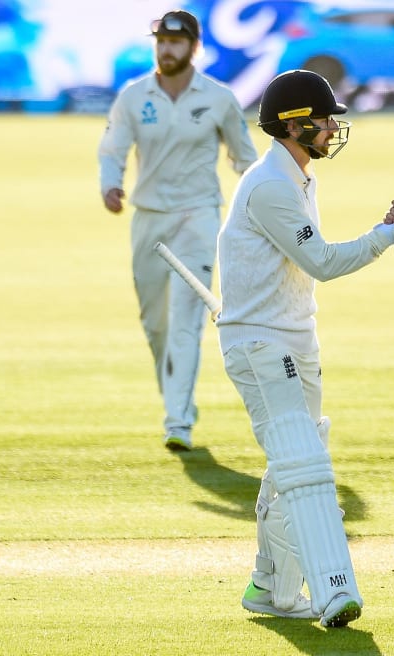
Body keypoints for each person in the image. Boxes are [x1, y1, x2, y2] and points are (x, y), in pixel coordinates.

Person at [216, 69, 394, 627]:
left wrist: (379, 231)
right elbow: (325, 263)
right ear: (295, 124)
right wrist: (387, 239)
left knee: (291, 464)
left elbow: (315, 257)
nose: (335, 126)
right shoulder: (270, 186)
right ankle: (333, 589)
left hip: (292, 335)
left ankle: (270, 588)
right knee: (303, 465)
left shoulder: (299, 177)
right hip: (263, 343)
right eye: (326, 117)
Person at [98, 10, 258, 452]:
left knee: (187, 316)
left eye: (176, 42)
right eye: (161, 42)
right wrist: (111, 184)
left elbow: (245, 159)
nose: (166, 49)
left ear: (194, 46)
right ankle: (178, 398)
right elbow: (112, 149)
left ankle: (178, 421)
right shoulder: (133, 96)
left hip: (198, 216)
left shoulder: (219, 98)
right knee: (156, 324)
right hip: (149, 218)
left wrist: (269, 201)